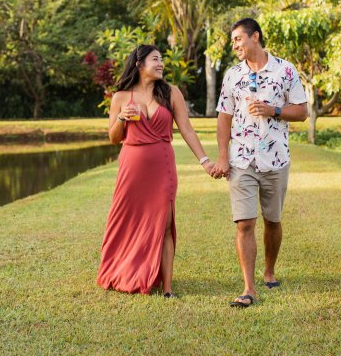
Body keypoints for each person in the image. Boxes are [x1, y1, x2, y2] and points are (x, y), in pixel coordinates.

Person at [97, 44, 215, 297]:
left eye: (161, 60)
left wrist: (204, 160)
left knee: (163, 222)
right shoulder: (120, 97)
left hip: (162, 165)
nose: (161, 64)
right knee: (125, 221)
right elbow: (113, 139)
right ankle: (125, 271)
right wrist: (121, 119)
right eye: (155, 59)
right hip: (131, 168)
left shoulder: (171, 93)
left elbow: (187, 129)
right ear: (139, 64)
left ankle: (168, 287)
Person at [212, 18, 308, 308]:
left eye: (239, 39)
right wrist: (222, 154)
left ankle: (269, 270)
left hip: (275, 157)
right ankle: (248, 287)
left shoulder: (285, 69)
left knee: (273, 221)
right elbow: (224, 116)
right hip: (241, 158)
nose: (235, 45)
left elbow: (302, 111)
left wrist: (273, 110)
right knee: (244, 222)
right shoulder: (232, 75)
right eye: (232, 41)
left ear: (255, 36)